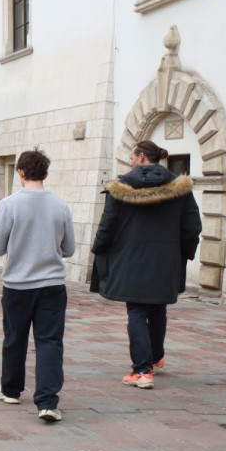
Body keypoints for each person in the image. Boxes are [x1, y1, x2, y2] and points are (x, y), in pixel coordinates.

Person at [91, 140, 201, 390]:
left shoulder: (120, 189)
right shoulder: (180, 189)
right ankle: (155, 357)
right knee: (158, 308)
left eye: (131, 156)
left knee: (137, 311)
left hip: (130, 261)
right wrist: (183, 254)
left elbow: (107, 226)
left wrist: (98, 250)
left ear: (141, 157)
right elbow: (192, 226)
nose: (130, 161)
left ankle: (142, 370)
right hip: (165, 261)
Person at [0, 149, 75, 423]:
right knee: (50, 341)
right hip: (51, 283)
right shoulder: (61, 205)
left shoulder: (9, 204)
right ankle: (48, 402)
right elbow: (69, 249)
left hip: (17, 284)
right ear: (45, 173)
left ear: (21, 173)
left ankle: (11, 389)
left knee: (15, 338)